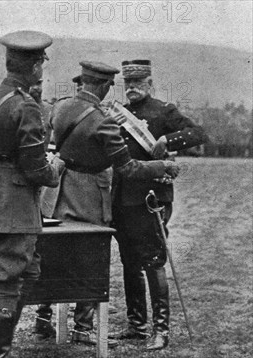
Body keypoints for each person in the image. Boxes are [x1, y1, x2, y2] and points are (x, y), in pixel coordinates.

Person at [50, 61, 182, 347]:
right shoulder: (103, 120)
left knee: (62, 257)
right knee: (92, 259)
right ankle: (82, 328)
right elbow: (129, 168)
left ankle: (53, 321)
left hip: (60, 192)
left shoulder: (60, 107)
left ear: (82, 81)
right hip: (94, 195)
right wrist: (162, 166)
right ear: (106, 85)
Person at [0, 30, 62, 358]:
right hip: (16, 201)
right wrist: (57, 168)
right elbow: (37, 169)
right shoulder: (27, 107)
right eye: (40, 65)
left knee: (28, 270)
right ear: (36, 67)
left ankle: (1, 344)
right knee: (10, 276)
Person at [109, 59, 207, 350]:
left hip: (151, 199)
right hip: (122, 198)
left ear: (150, 83)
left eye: (139, 83)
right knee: (129, 263)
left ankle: (160, 330)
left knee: (153, 262)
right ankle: (136, 325)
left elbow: (197, 134)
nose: (133, 88)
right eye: (129, 83)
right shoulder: (119, 113)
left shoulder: (164, 110)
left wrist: (167, 139)